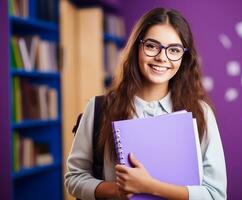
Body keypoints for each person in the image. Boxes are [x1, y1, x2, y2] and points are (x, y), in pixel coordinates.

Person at [65, 7, 227, 200]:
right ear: (137, 47)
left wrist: (150, 186)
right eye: (151, 46)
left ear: (184, 58)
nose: (162, 57)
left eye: (174, 50)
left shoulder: (200, 112)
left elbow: (215, 194)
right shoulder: (99, 107)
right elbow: (74, 178)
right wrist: (117, 190)